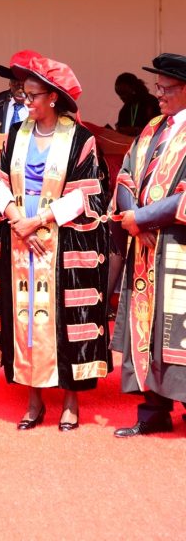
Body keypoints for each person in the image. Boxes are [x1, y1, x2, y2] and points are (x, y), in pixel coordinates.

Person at [0, 56, 111, 431]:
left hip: (63, 243)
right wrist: (14, 218)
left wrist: (38, 220)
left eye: (33, 95)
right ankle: (33, 398)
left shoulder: (80, 139)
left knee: (64, 320)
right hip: (20, 242)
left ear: (54, 97)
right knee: (24, 319)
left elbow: (89, 194)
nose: (27, 102)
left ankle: (71, 400)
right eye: (25, 95)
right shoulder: (16, 135)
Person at [111, 53, 186, 437]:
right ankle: (153, 410)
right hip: (144, 248)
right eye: (158, 88)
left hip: (178, 245)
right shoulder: (153, 127)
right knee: (149, 330)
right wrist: (130, 217)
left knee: (177, 330)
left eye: (167, 89)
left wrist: (142, 218)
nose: (159, 95)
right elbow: (126, 174)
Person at [114, 72, 160, 137]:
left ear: (133, 88)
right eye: (119, 94)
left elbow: (158, 129)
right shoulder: (125, 109)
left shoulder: (151, 102)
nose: (121, 97)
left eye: (124, 93)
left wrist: (135, 131)